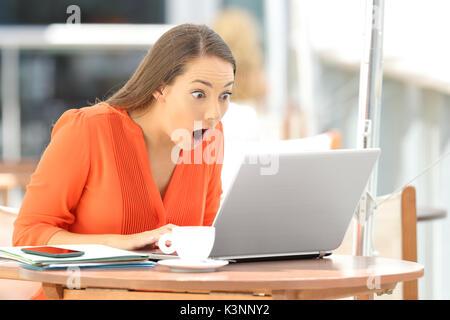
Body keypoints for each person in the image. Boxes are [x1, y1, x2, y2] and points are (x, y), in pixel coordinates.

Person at [12, 23, 235, 299]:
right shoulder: (88, 130)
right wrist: (119, 244)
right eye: (199, 94)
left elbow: (209, 236)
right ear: (160, 88)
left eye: (225, 95)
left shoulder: (210, 139)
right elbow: (27, 235)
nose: (214, 113)